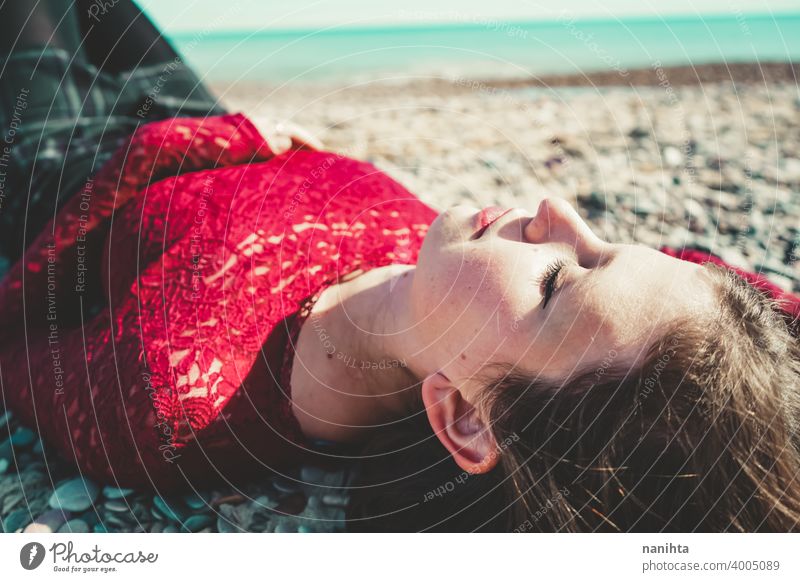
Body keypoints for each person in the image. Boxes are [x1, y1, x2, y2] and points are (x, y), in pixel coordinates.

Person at [1, 1, 798, 532]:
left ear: (467, 419)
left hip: (74, 165)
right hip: (212, 117)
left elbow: (19, 332)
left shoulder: (179, 400)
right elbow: (739, 311)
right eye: (613, 243)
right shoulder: (526, 299)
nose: (557, 213)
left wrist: (212, 144)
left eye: (557, 280)